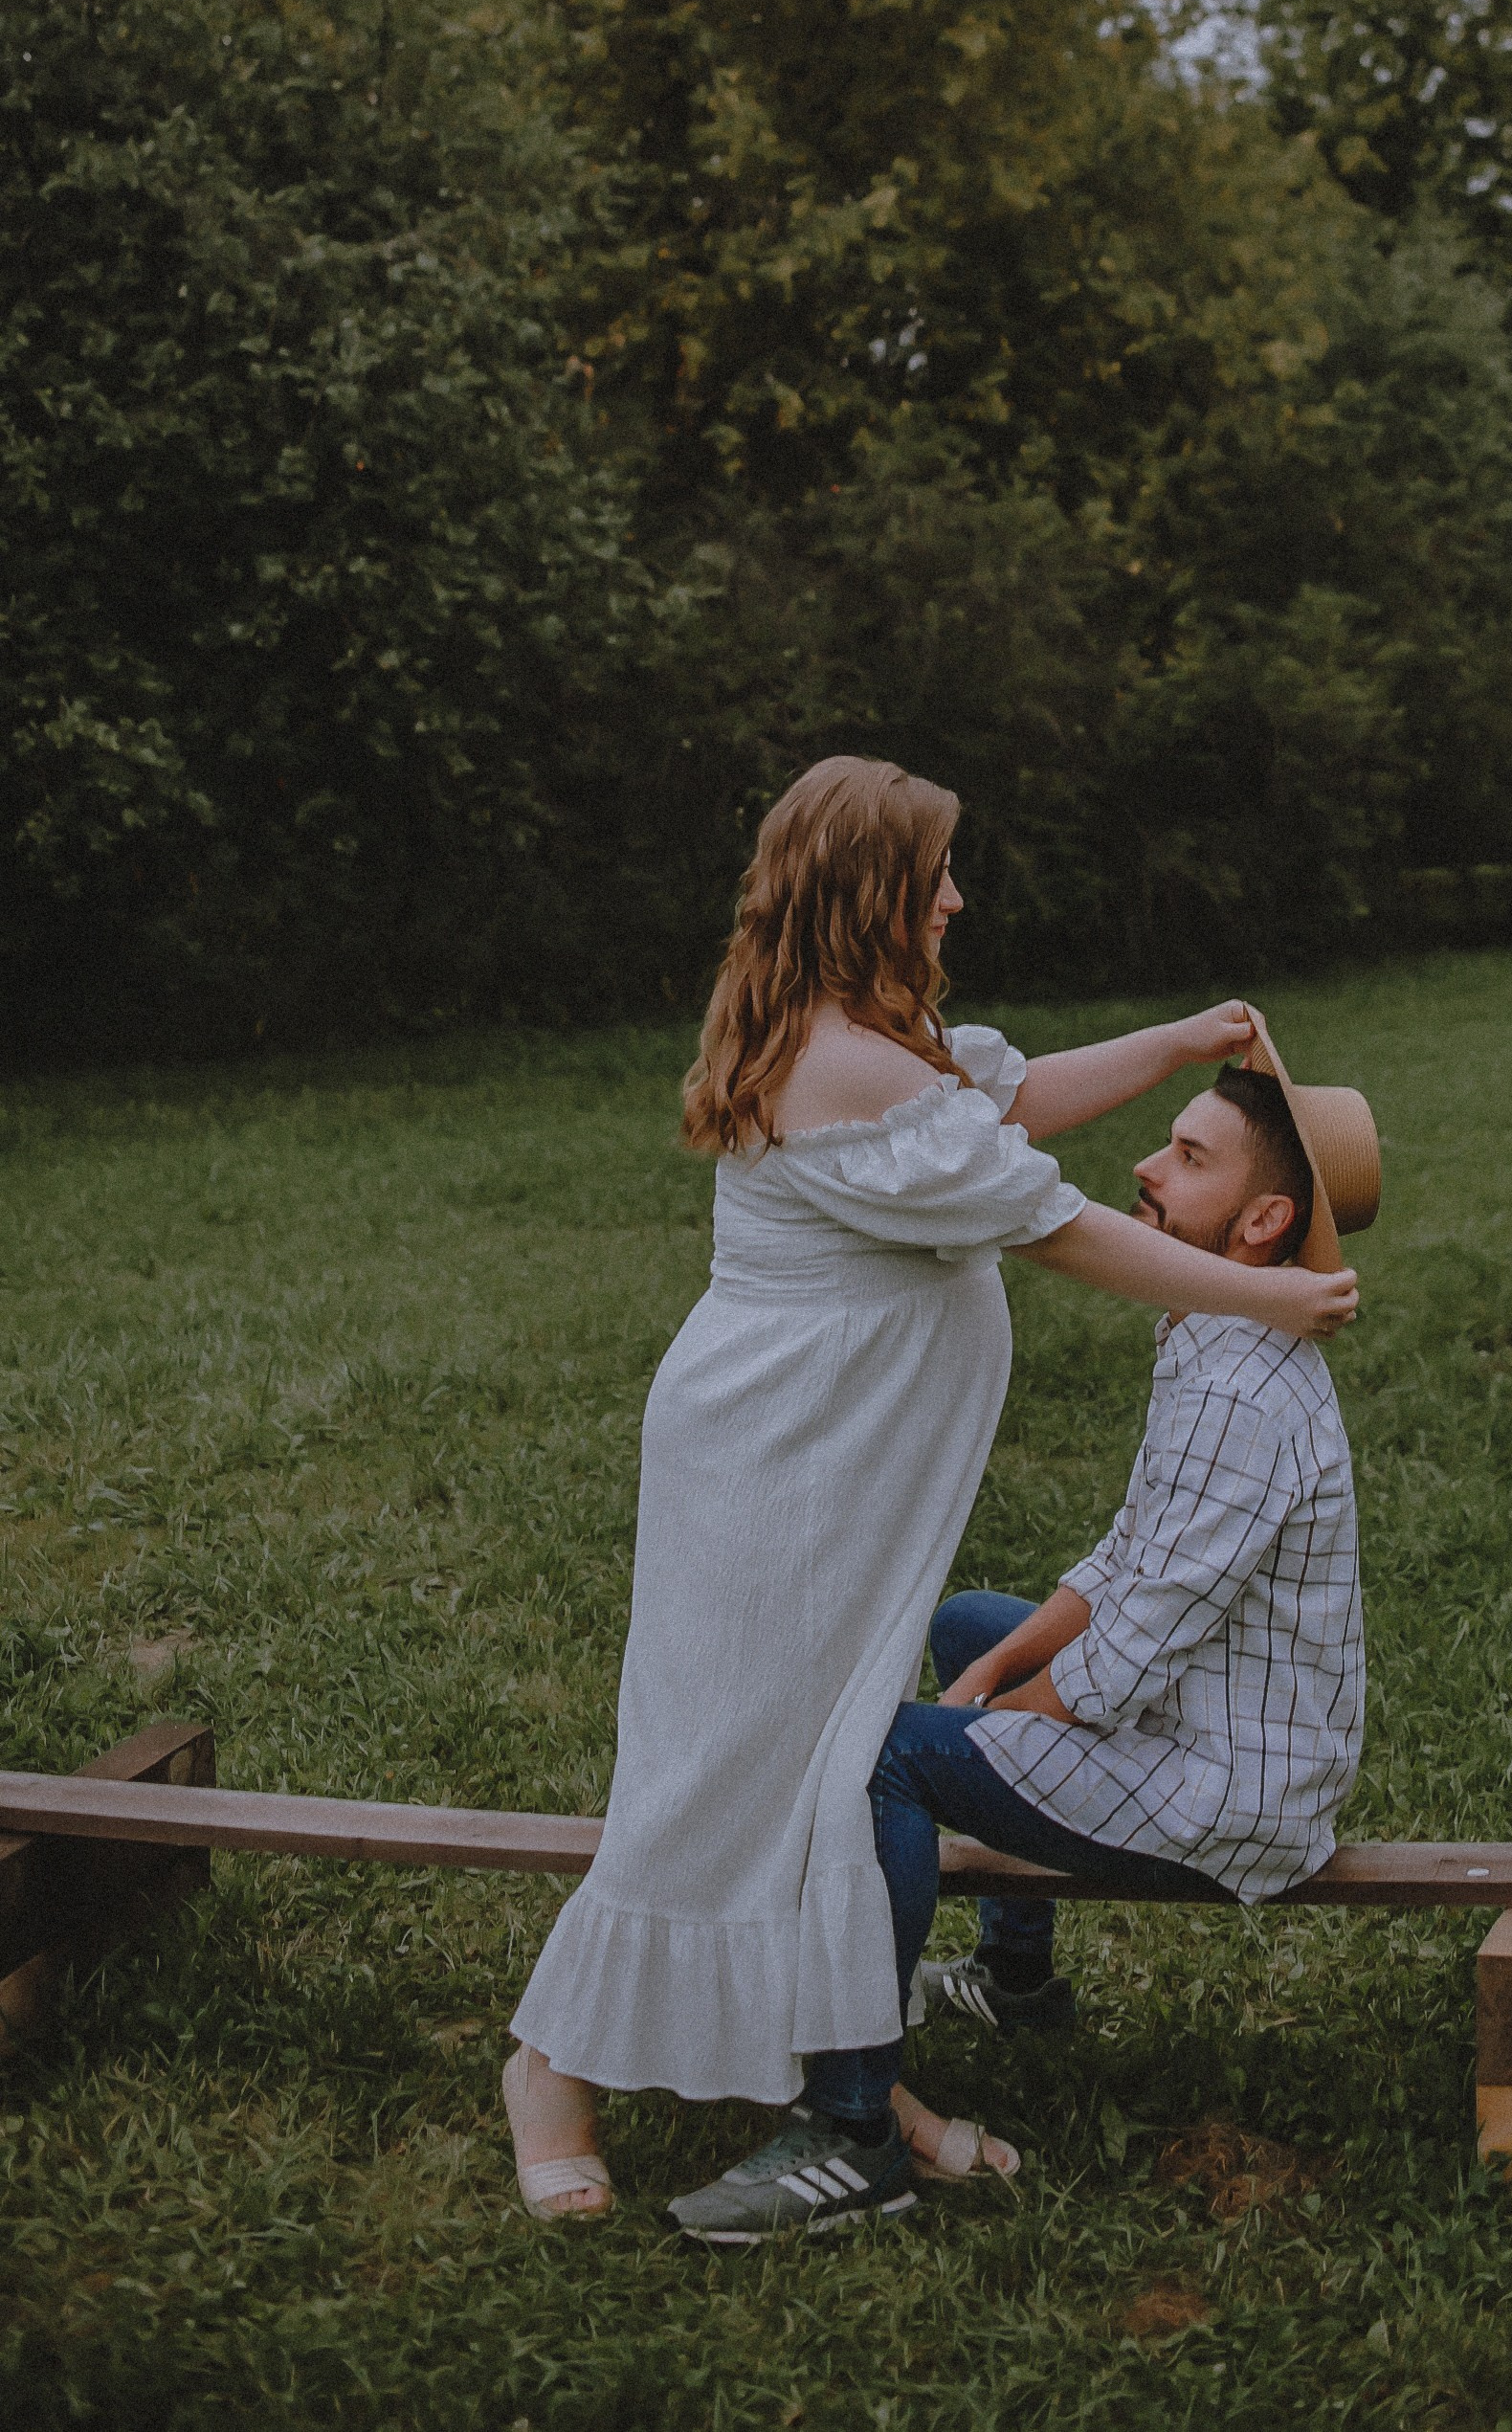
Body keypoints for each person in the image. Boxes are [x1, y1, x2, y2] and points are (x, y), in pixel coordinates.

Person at [501, 757, 1357, 2225]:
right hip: (779, 1463)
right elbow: (1058, 1223)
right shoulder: (840, 1061)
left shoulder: (873, 1038)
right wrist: (1260, 1295)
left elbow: (1006, 1102)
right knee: (721, 1763)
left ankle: (844, 2076)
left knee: (819, 1772)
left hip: (838, 1470)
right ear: (867, 894)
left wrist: (1179, 1041)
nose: (957, 897)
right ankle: (550, 2066)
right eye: (935, 876)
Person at [668, 1013, 1374, 2245]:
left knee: (885, 1756)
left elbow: (1135, 1644)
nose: (1149, 1170)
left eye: (1191, 1160)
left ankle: (851, 2138)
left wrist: (981, 1722)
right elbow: (1128, 1557)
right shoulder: (1218, 1333)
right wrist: (992, 1668)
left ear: (1262, 1226)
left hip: (1233, 1790)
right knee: (964, 1624)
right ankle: (1018, 1984)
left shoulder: (1242, 1389)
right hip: (1197, 1714)